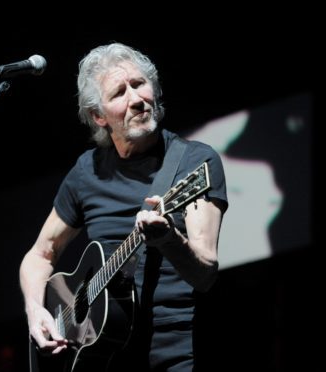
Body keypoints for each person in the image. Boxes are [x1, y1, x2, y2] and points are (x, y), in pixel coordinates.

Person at [19, 42, 228, 371]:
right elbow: (40, 254)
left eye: (139, 84)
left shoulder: (193, 162)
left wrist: (169, 239)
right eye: (119, 93)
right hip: (103, 358)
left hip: (173, 350)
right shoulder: (86, 172)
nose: (136, 99)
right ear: (98, 116)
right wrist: (36, 311)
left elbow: (205, 274)